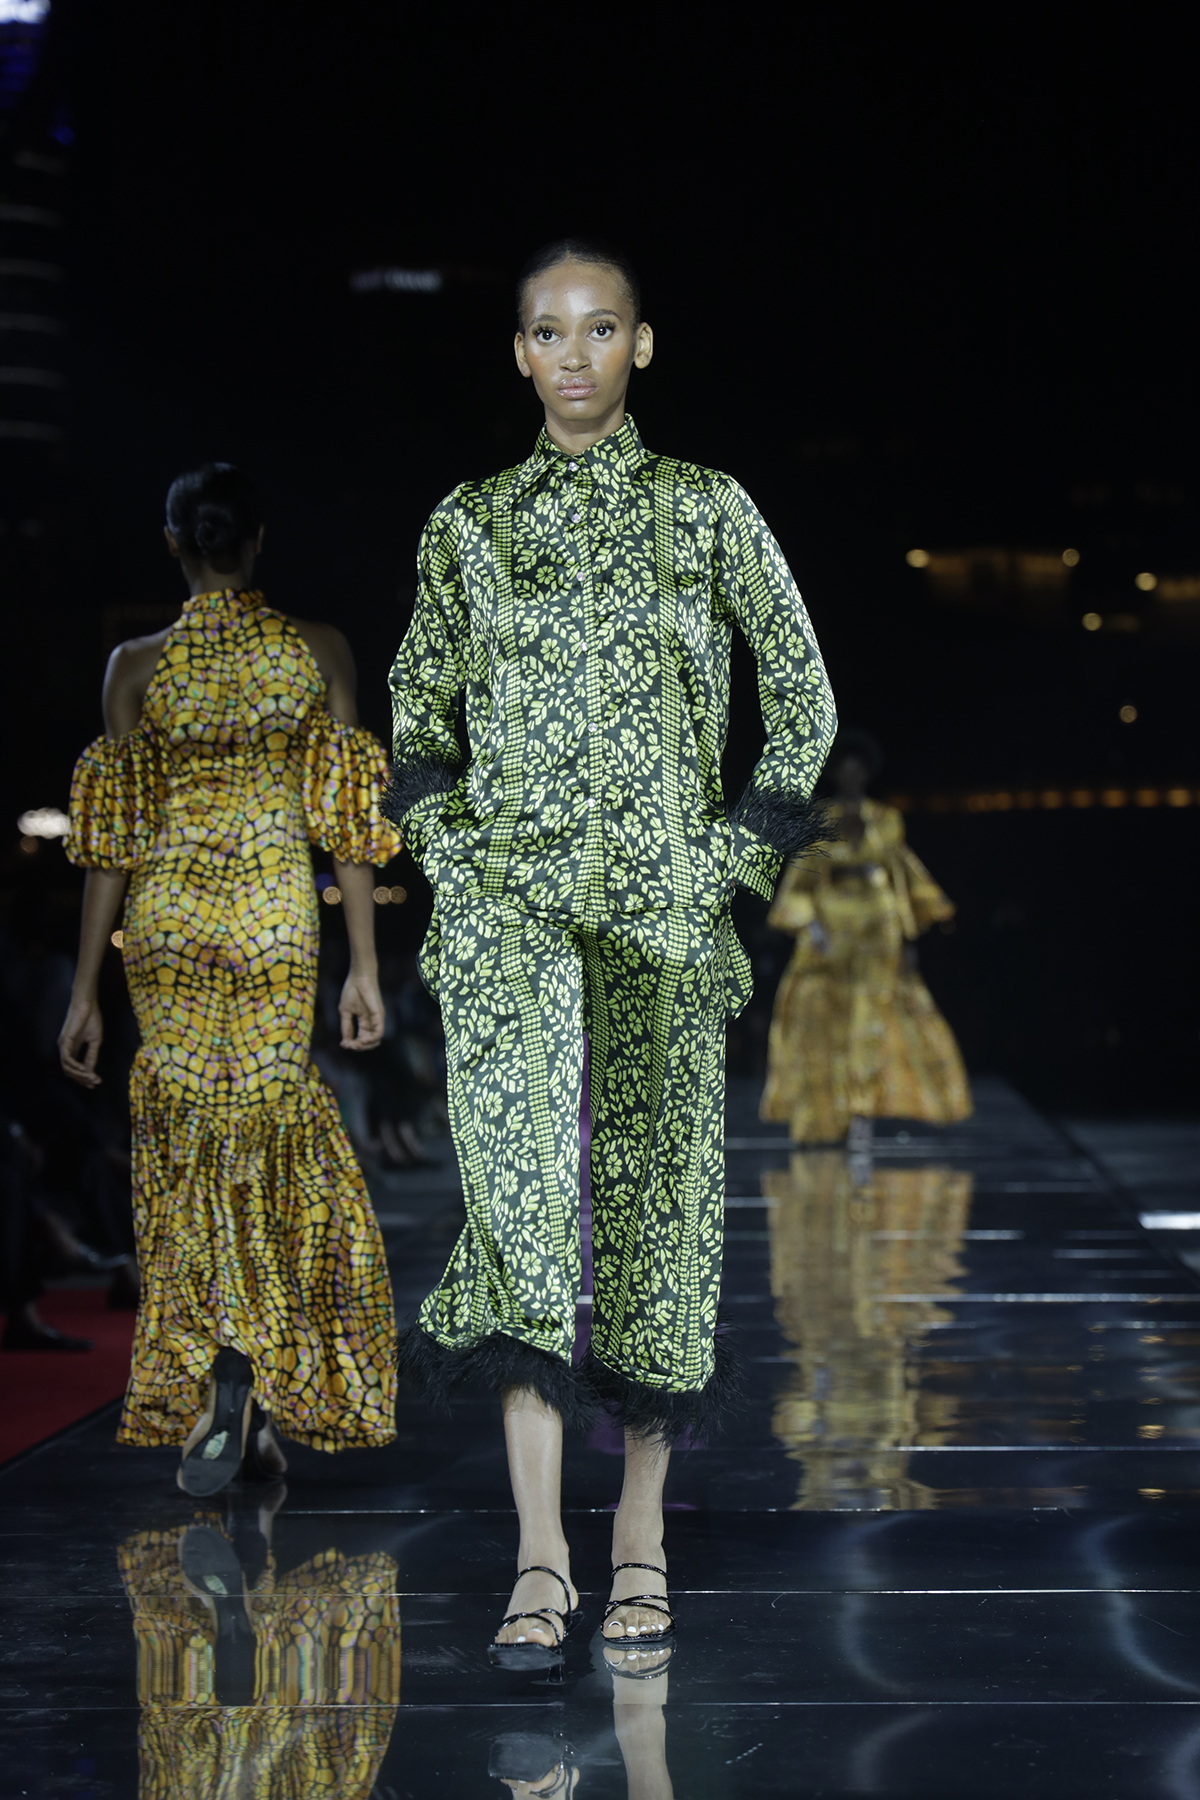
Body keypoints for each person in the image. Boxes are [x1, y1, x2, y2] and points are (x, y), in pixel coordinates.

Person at [385, 239, 836, 1655]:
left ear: (642, 345)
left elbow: (804, 697)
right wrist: (456, 864)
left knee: (656, 1218)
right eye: (547, 330)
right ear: (518, 352)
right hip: (509, 918)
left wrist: (729, 865)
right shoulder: (468, 524)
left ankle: (638, 1535)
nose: (572, 354)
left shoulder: (707, 508)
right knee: (522, 1215)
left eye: (599, 328)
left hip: (664, 918)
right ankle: (539, 1556)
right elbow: (415, 719)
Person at [57, 463, 401, 1492]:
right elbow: (348, 826)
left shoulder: (134, 665)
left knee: (187, 1149)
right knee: (267, 1143)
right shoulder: (318, 649)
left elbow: (112, 846)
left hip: (168, 924)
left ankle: (220, 1375)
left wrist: (84, 990)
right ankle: (258, 1377)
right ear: (259, 541)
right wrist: (363, 968)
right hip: (271, 922)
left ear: (174, 544)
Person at [760, 728, 972, 1147]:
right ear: (836, 773)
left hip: (878, 927)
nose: (852, 776)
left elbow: (899, 875)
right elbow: (801, 881)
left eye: (858, 769)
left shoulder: (885, 819)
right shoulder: (819, 819)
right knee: (824, 1018)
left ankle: (863, 1113)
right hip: (832, 928)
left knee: (871, 1020)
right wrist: (810, 925)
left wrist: (908, 937)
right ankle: (827, 1117)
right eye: (845, 769)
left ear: (867, 773)